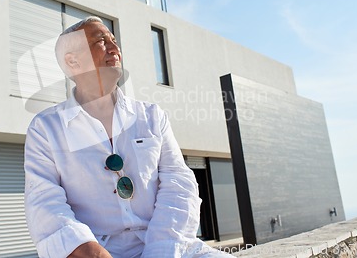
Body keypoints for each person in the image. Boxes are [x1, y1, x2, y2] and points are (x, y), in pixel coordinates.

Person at [24, 16, 235, 258]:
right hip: (97, 251)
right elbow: (43, 201)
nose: (115, 48)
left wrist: (161, 251)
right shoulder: (45, 128)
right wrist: (92, 253)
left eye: (114, 40)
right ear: (72, 61)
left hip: (165, 245)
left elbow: (179, 184)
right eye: (101, 41)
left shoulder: (152, 116)